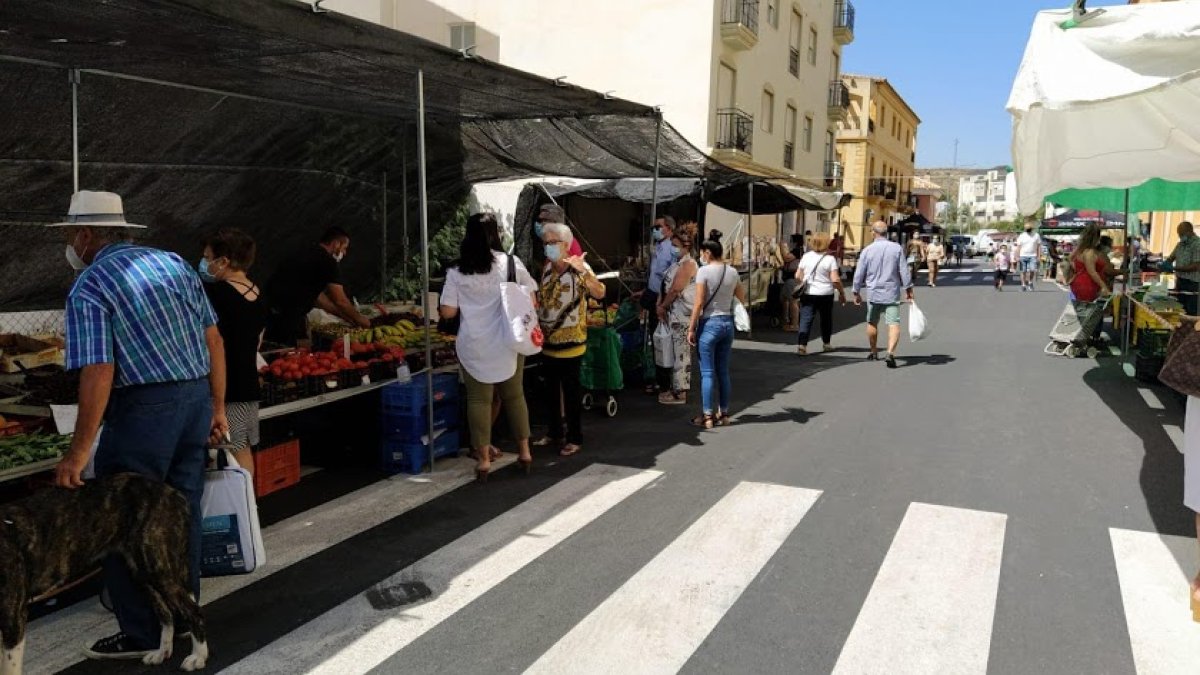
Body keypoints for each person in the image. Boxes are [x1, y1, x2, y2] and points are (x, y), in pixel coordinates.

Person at [49, 191, 226, 660]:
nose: (69, 243)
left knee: (123, 524)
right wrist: (218, 406)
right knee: (178, 515)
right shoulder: (174, 264)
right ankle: (184, 618)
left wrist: (78, 452)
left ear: (86, 236)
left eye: (70, 234)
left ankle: (143, 632)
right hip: (193, 400)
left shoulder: (90, 285)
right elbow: (214, 338)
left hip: (145, 409)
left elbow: (99, 371)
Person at [440, 213, 536, 482]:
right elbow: (531, 294)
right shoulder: (510, 263)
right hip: (508, 342)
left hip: (474, 344)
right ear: (496, 233)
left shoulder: (456, 271)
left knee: (478, 400)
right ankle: (525, 452)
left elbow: (447, 312)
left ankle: (483, 460)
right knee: (514, 396)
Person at [201, 228, 268, 476]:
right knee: (242, 449)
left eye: (208, 258)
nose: (205, 264)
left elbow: (211, 341)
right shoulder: (257, 294)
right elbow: (257, 340)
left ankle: (241, 510)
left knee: (229, 454)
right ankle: (248, 508)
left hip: (224, 388)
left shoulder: (216, 294)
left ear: (224, 261)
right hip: (248, 384)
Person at [536, 222, 607, 456]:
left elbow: (600, 292)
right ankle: (554, 431)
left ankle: (574, 436)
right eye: (545, 243)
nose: (548, 247)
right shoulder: (546, 268)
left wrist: (583, 271)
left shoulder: (579, 267)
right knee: (550, 392)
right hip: (548, 341)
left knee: (571, 391)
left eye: (552, 243)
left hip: (572, 342)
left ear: (565, 245)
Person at [263, 226, 370, 345]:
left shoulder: (303, 252)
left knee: (273, 350)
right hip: (288, 316)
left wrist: (342, 315)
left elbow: (317, 297)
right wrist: (360, 319)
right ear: (336, 244)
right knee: (287, 353)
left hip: (268, 311)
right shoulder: (328, 262)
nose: (344, 253)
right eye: (344, 248)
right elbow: (340, 300)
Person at [687, 231, 747, 429]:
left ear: (708, 253)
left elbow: (698, 302)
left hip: (709, 323)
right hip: (727, 324)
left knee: (707, 372)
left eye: (702, 253)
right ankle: (725, 413)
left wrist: (691, 328)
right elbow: (741, 296)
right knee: (723, 371)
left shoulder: (703, 272)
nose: (701, 256)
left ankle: (707, 416)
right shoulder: (732, 272)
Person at [853, 222, 914, 369]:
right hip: (891, 292)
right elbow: (904, 271)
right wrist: (908, 289)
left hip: (873, 292)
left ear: (873, 233)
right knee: (893, 323)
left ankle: (873, 351)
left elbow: (859, 273)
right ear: (886, 233)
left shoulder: (867, 250)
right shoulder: (896, 248)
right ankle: (890, 352)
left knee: (872, 322)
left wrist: (856, 291)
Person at [656, 221, 699, 405]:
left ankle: (680, 392)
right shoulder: (678, 263)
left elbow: (675, 289)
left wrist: (663, 306)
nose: (673, 249)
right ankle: (677, 388)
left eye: (675, 246)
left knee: (681, 354)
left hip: (682, 315)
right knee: (677, 353)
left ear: (686, 246)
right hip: (675, 314)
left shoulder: (688, 264)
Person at [795, 233, 847, 356]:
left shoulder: (806, 257)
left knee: (806, 319)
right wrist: (841, 292)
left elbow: (797, 275)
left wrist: (804, 282)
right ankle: (826, 344)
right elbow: (835, 279)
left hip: (808, 292)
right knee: (826, 319)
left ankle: (802, 345)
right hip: (825, 293)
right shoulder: (830, 259)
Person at [641, 215, 676, 394]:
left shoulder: (671, 249)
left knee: (663, 341)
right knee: (656, 340)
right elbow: (654, 276)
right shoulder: (658, 248)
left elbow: (670, 279)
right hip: (653, 295)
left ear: (668, 228)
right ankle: (658, 378)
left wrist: (662, 303)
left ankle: (665, 383)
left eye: (658, 227)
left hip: (663, 300)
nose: (654, 230)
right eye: (653, 227)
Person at [1069, 223, 1111, 303]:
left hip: (1079, 283)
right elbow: (1092, 272)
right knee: (1088, 310)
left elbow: (1070, 258)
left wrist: (1077, 270)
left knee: (1083, 309)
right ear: (1096, 237)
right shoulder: (1089, 252)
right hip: (1087, 285)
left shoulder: (1080, 248)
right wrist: (1104, 286)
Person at [1167, 221, 1200, 316]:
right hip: (1180, 282)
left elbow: (1196, 266)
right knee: (1180, 310)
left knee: (1191, 312)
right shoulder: (1180, 244)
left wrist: (1175, 268)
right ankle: (1180, 330)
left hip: (1193, 284)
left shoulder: (1197, 244)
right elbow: (1171, 258)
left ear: (1189, 231)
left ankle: (1191, 331)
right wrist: (1164, 264)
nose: (1180, 236)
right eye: (1179, 234)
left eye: (1182, 234)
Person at [1016, 220, 1043, 292]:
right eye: (1026, 229)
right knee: (1023, 271)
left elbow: (1039, 246)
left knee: (1032, 269)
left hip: (1033, 256)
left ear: (1032, 228)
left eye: (1029, 228)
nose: (1028, 230)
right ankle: (1023, 285)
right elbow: (1018, 247)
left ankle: (1030, 282)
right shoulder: (1022, 236)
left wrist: (1039, 256)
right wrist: (1017, 256)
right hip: (1023, 256)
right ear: (1025, 229)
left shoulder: (1036, 235)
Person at [780, 249, 802, 331]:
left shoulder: (797, 250)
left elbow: (786, 258)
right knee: (785, 298)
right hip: (791, 279)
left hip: (793, 279)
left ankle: (794, 325)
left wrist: (780, 246)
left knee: (793, 301)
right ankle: (786, 319)